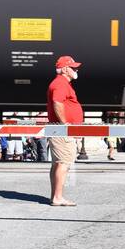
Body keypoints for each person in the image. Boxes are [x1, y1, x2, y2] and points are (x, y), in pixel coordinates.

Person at [47, 55, 84, 206]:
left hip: (59, 129)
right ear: (64, 69)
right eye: (73, 67)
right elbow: (57, 102)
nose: (76, 69)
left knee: (57, 163)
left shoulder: (61, 83)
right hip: (62, 131)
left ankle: (54, 196)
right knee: (63, 163)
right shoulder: (61, 83)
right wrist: (66, 124)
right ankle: (57, 197)